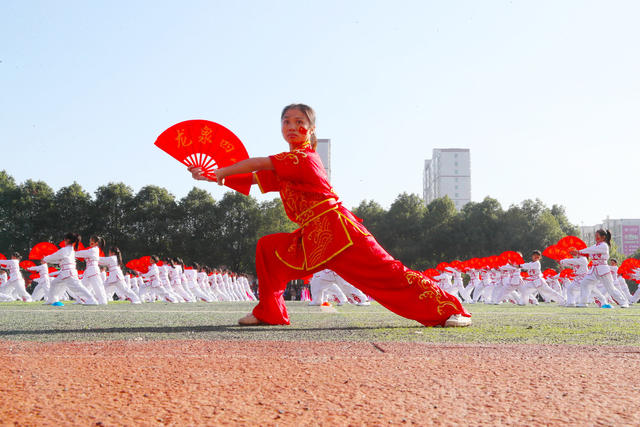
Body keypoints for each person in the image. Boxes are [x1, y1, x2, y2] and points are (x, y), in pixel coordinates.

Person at [190, 103, 470, 327]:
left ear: (311, 129)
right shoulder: (285, 167)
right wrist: (210, 178)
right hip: (313, 238)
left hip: (340, 231)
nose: (292, 126)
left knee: (387, 273)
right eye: (286, 121)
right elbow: (254, 177)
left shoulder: (303, 159)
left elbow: (259, 162)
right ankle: (270, 312)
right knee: (269, 249)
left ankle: (450, 309)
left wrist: (221, 171)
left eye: (300, 122)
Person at [573, 229, 629, 308]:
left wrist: (579, 251)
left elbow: (591, 250)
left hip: (603, 269)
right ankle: (583, 302)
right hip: (593, 269)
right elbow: (589, 250)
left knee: (610, 288)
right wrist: (577, 252)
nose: (595, 238)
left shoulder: (604, 245)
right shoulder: (595, 245)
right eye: (595, 236)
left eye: (597, 236)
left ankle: (623, 302)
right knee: (584, 283)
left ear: (603, 237)